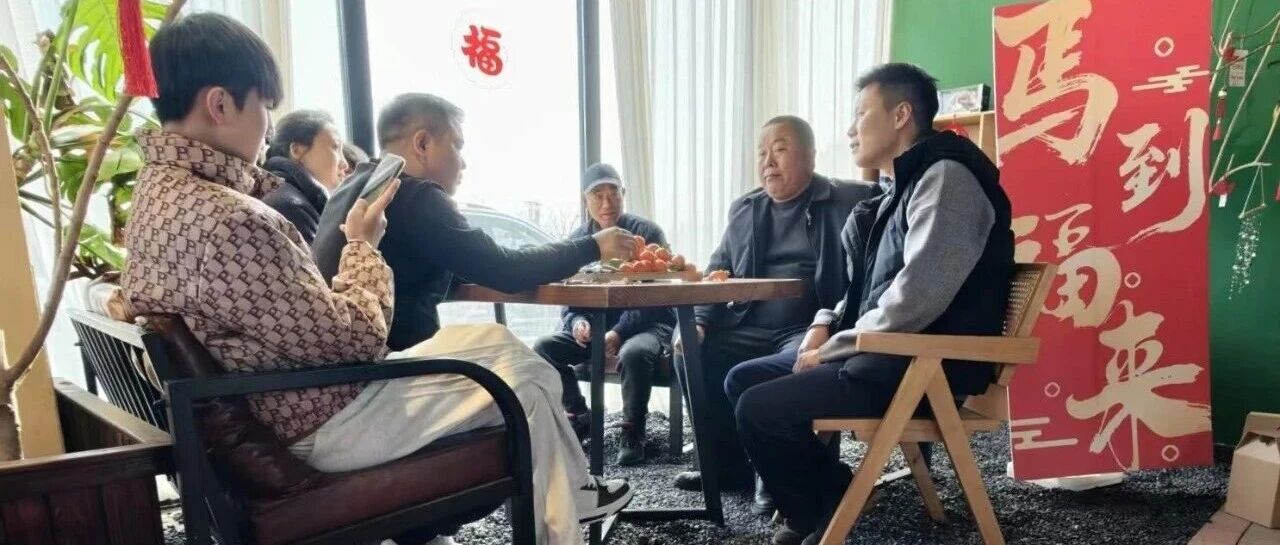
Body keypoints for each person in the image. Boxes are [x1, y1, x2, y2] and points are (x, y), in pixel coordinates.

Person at [120, 14, 630, 545]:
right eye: (265, 106)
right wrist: (364, 245)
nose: (269, 127)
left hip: (270, 402)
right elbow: (355, 340)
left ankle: (571, 501)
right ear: (221, 104)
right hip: (318, 418)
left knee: (499, 344)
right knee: (526, 377)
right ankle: (566, 515)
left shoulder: (157, 201)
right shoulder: (231, 220)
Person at [730, 63, 1014, 545]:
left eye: (861, 113)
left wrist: (832, 349)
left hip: (920, 367)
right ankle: (836, 493)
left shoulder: (947, 180)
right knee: (743, 378)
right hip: (883, 354)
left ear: (901, 115)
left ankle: (819, 508)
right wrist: (824, 322)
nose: (850, 129)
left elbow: (916, 299)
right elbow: (871, 288)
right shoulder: (900, 188)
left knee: (759, 408)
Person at [311, 93, 638, 351]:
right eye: (457, 145)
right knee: (525, 365)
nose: (463, 162)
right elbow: (506, 270)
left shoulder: (351, 188)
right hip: (394, 371)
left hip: (347, 369)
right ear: (423, 144)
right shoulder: (415, 195)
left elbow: (468, 261)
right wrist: (594, 246)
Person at [671, 116, 878, 513]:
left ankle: (774, 471)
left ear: (810, 156)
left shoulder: (848, 201)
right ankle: (727, 465)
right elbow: (719, 269)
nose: (768, 161)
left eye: (780, 149)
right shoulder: (745, 208)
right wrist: (698, 320)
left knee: (780, 370)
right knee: (689, 351)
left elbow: (865, 274)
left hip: (808, 327)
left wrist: (830, 322)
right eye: (762, 153)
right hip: (746, 323)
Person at [532, 163, 675, 465]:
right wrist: (577, 322)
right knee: (543, 348)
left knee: (634, 353)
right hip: (597, 326)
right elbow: (569, 300)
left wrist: (618, 332)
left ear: (624, 194)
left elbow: (652, 298)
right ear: (585, 200)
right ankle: (579, 414)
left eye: (614, 194)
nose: (607, 203)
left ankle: (633, 430)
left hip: (648, 324)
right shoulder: (577, 242)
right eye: (598, 195)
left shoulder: (647, 233)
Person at [262, 109, 346, 243]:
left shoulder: (286, 196)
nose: (344, 164)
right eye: (335, 147)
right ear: (297, 151)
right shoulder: (291, 207)